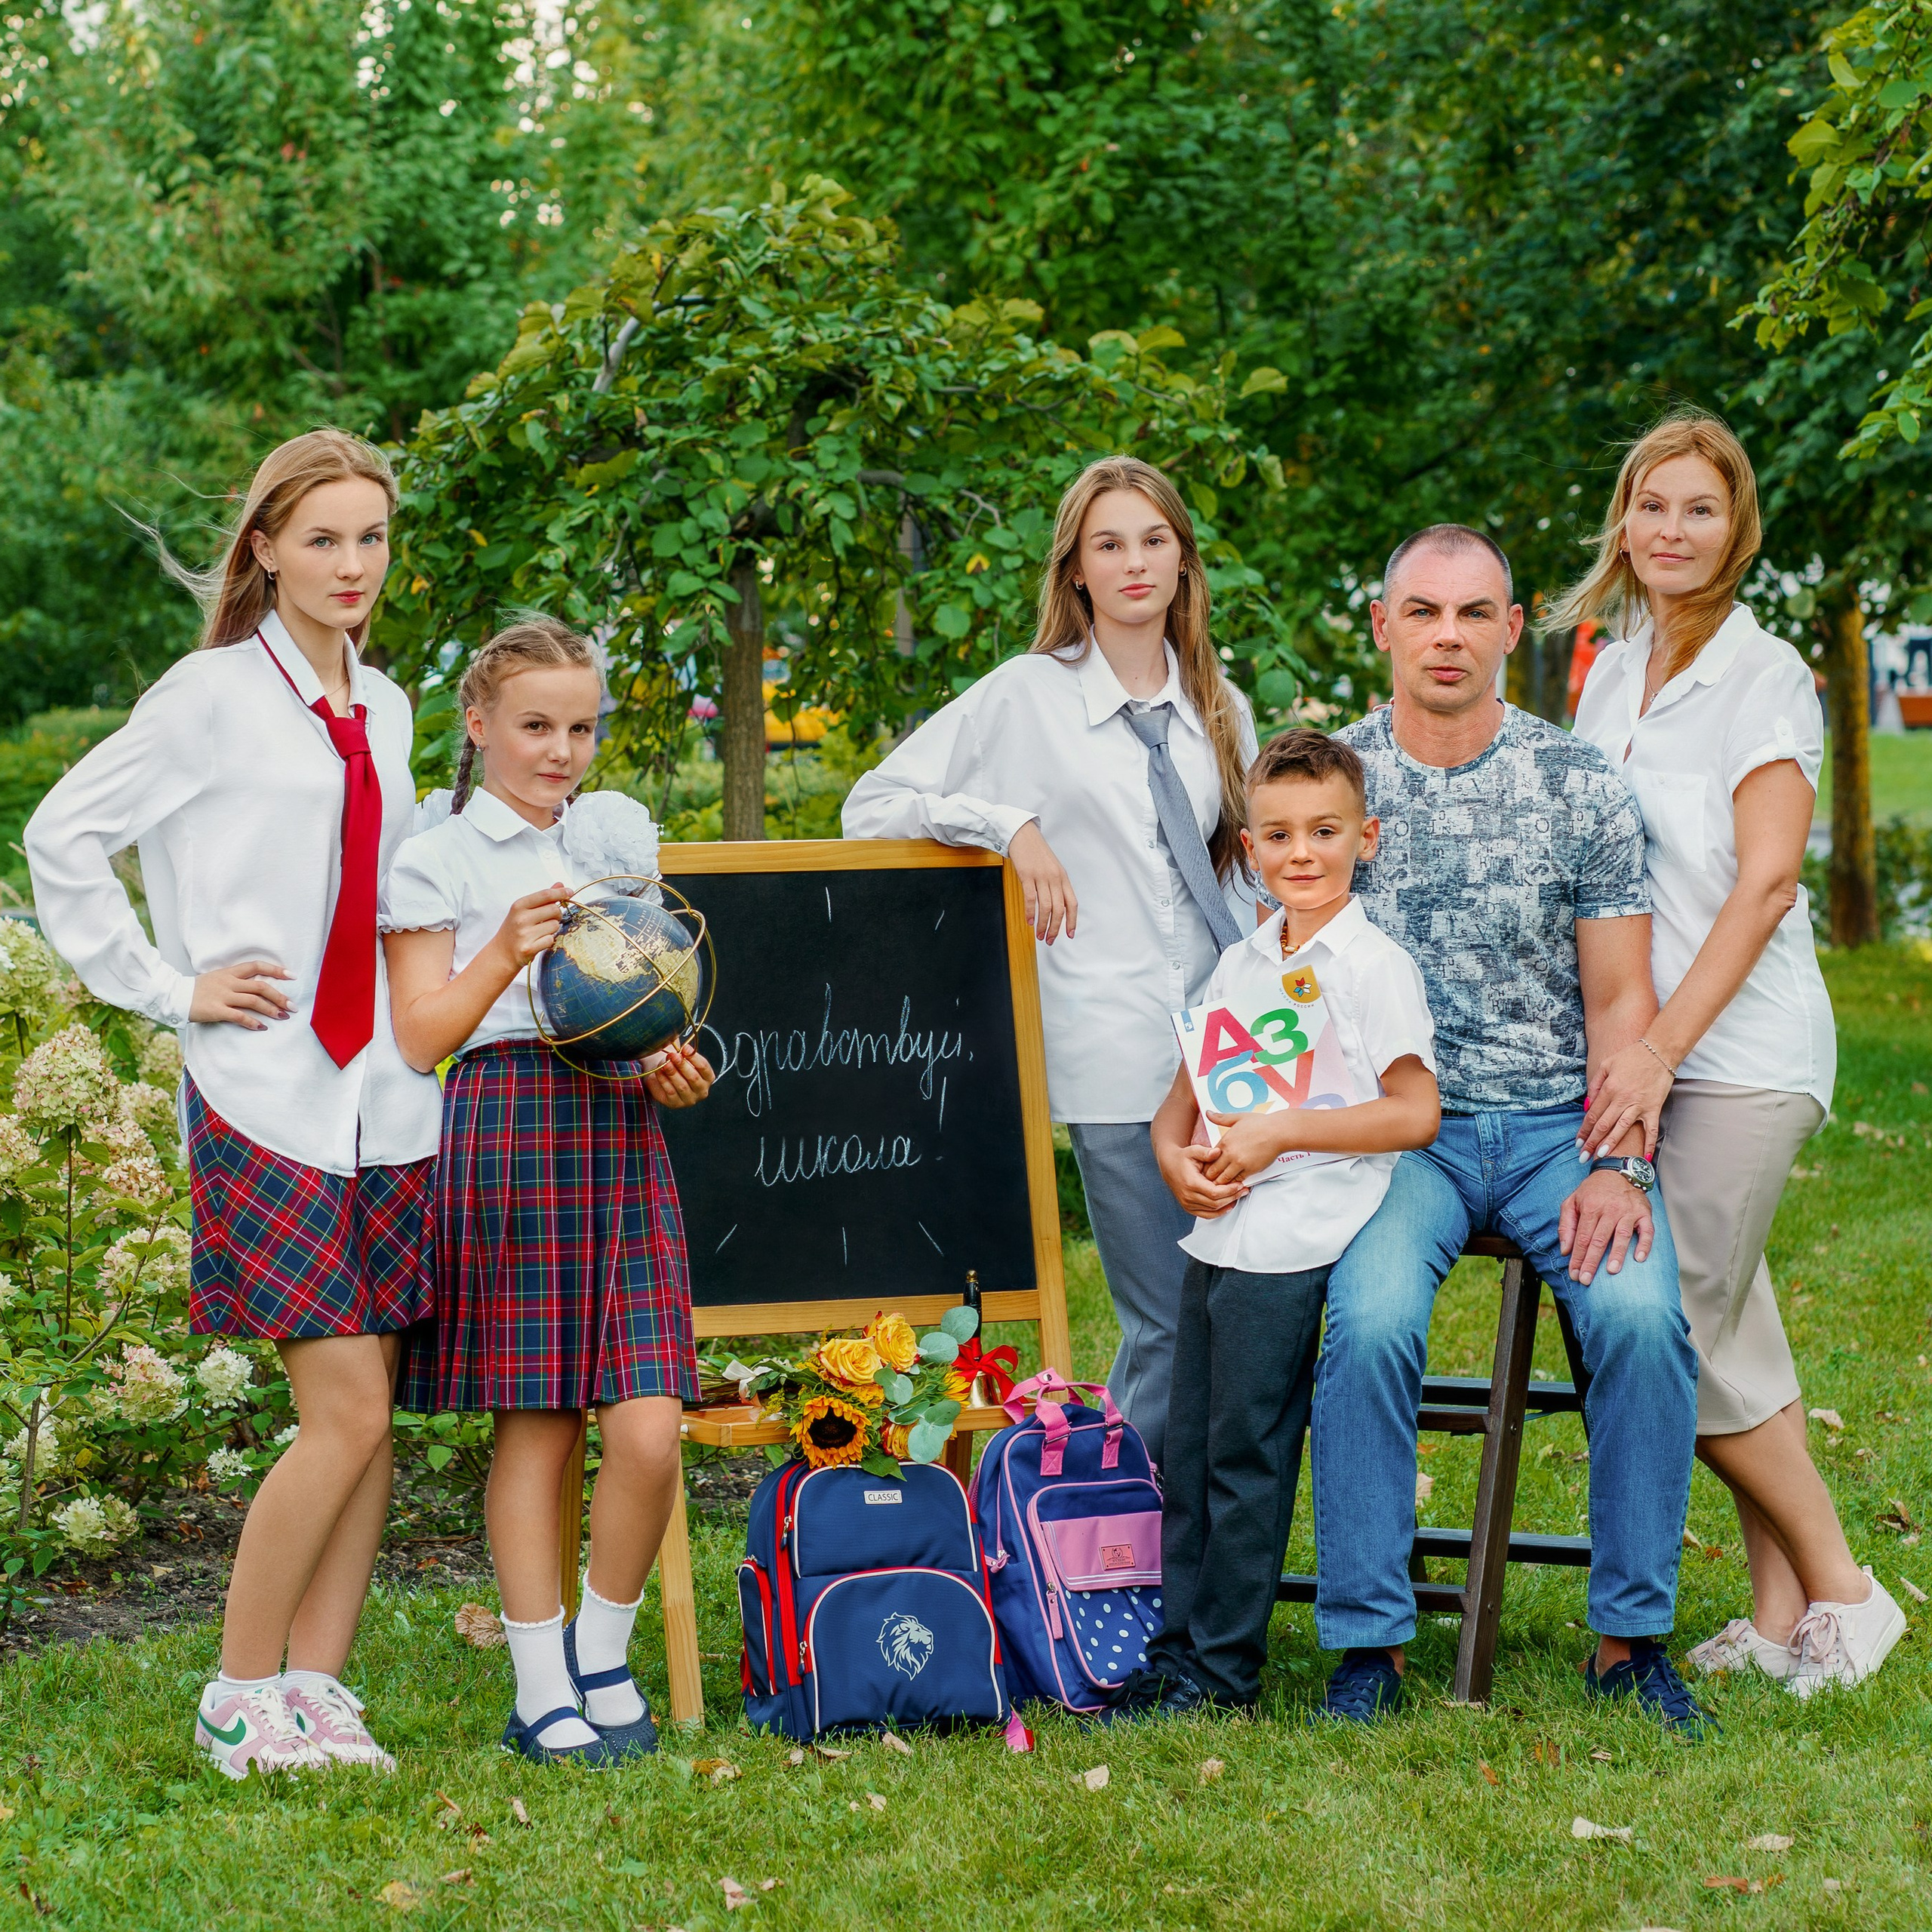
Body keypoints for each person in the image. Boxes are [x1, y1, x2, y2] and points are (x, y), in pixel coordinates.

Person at [25, 430, 443, 1779]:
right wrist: (168, 987)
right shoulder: (208, 697)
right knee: (345, 1411)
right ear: (264, 548)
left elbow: (390, 891)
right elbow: (61, 834)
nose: (352, 564)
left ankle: (315, 1689)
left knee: (375, 1411)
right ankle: (236, 1692)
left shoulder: (387, 707)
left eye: (370, 537)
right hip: (266, 1089)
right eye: (322, 538)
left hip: (381, 1097)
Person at [1309, 524, 1711, 1736]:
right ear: (1383, 626)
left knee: (1641, 1319)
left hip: (1556, 1131)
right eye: (1423, 611)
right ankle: (1368, 1648)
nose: (1447, 636)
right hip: (1403, 1134)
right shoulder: (1334, 788)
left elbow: (1620, 1000)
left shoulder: (1576, 783)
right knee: (1371, 1323)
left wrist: (1620, 1161)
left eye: (1474, 612)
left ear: (1511, 628)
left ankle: (1629, 1642)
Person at [1565, 411, 1904, 1696]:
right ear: (1624, 519)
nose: (1672, 530)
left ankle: (1846, 1591)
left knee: (1666, 1336)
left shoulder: (1765, 678)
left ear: (1737, 528)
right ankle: (1776, 1617)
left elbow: (1764, 888)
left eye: (1699, 509)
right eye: (1653, 505)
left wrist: (1657, 1051)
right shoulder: (1612, 672)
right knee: (1735, 1345)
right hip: (1648, 1049)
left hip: (1740, 1056)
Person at [843, 456, 1258, 1466]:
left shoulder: (1221, 706)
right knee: (1168, 1317)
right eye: (1109, 544)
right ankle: (1089, 1519)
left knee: (1229, 1317)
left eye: (1154, 540)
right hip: (1112, 1048)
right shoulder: (1027, 695)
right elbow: (872, 807)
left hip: (1230, 1049)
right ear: (1075, 568)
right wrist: (1009, 826)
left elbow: (1242, 877)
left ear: (1183, 559)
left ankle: (1144, 1514)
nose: (1134, 563)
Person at [382, 617, 715, 1765]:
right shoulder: (438, 857)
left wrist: (668, 1065)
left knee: (651, 1428)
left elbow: (643, 998)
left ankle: (602, 1656)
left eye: (580, 728)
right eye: (535, 726)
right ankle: (540, 1690)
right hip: (508, 1129)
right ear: (478, 726)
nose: (561, 751)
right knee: (539, 1426)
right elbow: (420, 1036)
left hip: (618, 1124)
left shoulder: (614, 843)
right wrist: (503, 952)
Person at [1118, 730, 1438, 1716]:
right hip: (1222, 1233)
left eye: (1325, 832)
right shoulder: (1242, 963)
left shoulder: (1375, 967)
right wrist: (1173, 1159)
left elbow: (1415, 1113)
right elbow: (1182, 1103)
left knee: (1247, 1459)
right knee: (1189, 1454)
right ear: (1251, 848)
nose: (1303, 853)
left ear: (1365, 839)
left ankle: (1222, 1672)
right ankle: (1174, 1651)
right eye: (1280, 835)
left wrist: (1285, 1132)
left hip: (1297, 1236)